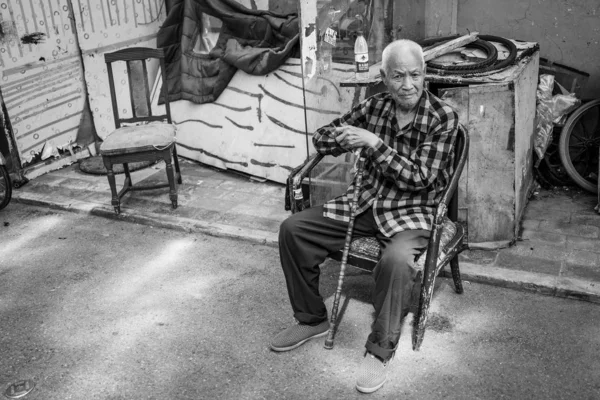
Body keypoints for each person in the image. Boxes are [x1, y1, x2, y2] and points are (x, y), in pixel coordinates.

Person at [270, 39, 459, 394]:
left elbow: (420, 177)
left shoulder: (443, 117)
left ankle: (380, 349)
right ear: (384, 78)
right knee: (293, 229)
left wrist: (373, 144)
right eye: (398, 76)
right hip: (365, 202)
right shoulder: (375, 106)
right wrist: (344, 139)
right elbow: (322, 138)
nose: (408, 85)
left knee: (397, 260)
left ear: (425, 74)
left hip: (412, 211)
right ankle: (311, 319)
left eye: (415, 75)